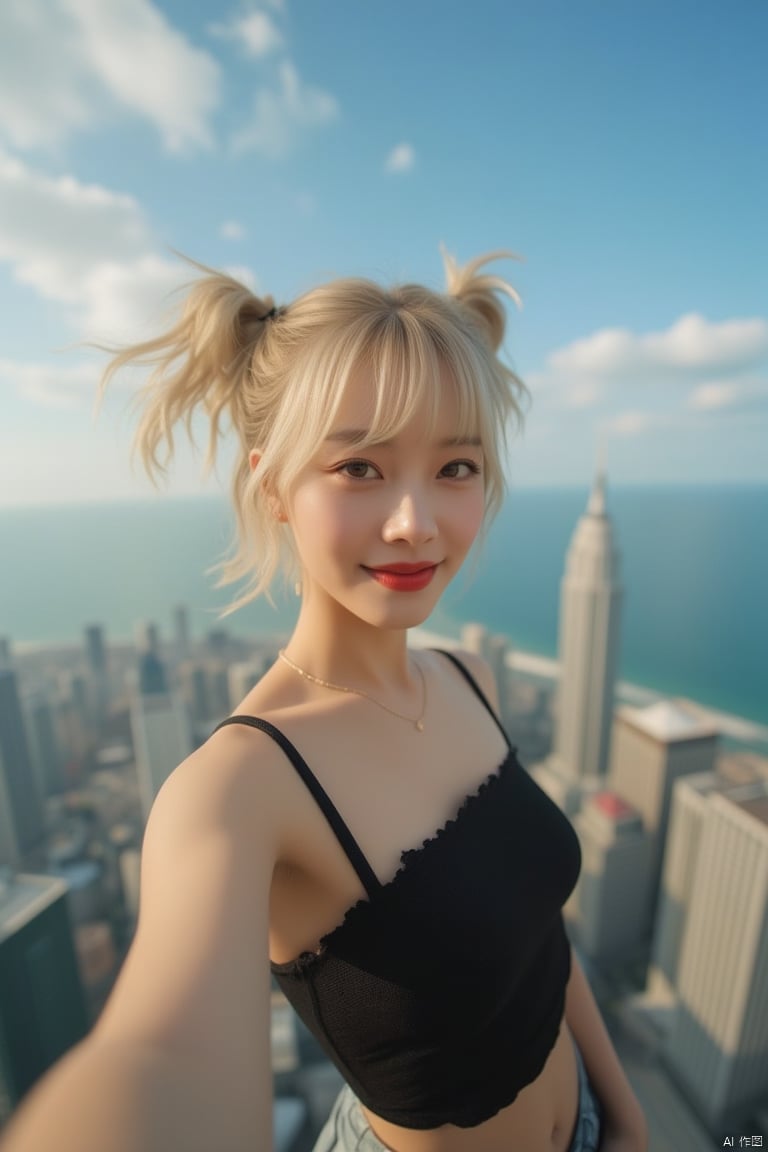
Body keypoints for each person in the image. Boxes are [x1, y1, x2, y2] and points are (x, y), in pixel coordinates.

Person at [2, 252, 647, 1152]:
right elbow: (160, 1056)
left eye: (456, 466)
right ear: (273, 487)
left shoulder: (469, 679)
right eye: (359, 468)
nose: (416, 520)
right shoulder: (239, 785)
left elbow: (538, 941)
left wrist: (624, 1114)